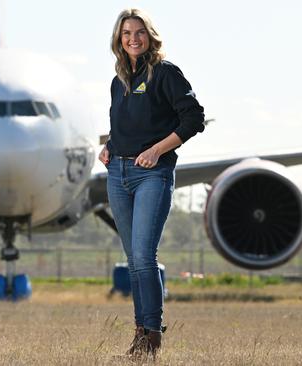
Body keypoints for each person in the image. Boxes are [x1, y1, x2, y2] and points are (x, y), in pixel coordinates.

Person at [99, 8, 205, 358]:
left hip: (152, 175)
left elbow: (194, 118)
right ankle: (140, 334)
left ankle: (153, 335)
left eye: (139, 32)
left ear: (150, 35)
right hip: (118, 174)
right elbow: (125, 126)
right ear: (119, 39)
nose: (133, 38)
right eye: (126, 33)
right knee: (132, 260)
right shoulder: (119, 80)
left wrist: (157, 151)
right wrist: (109, 147)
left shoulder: (166, 73)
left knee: (145, 256)